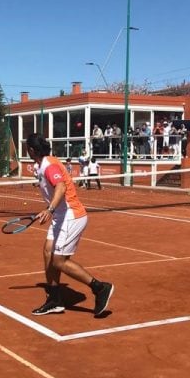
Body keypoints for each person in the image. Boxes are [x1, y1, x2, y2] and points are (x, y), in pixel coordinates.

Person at [25, 133, 114, 317]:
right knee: (48, 251)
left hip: (71, 216)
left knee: (59, 261)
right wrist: (50, 210)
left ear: (32, 150)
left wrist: (49, 209)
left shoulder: (49, 165)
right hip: (60, 215)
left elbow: (61, 187)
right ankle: (55, 299)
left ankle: (100, 288)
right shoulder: (42, 165)